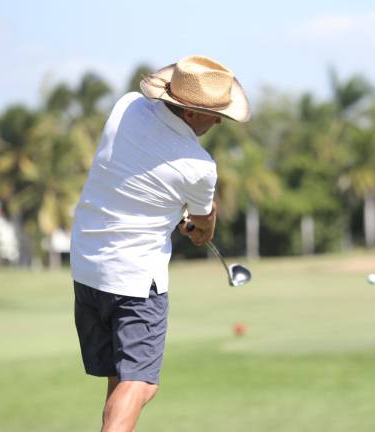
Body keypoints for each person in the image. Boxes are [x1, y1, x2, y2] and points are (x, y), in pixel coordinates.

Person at [70, 55, 250, 432]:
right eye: (213, 113)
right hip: (135, 281)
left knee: (121, 380)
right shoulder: (200, 168)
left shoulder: (127, 106)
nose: (218, 120)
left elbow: (137, 175)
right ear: (188, 113)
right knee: (142, 383)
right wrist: (202, 227)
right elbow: (204, 222)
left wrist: (173, 210)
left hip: (87, 268)